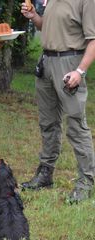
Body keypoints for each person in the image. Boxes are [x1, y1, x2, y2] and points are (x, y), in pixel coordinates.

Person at [21, 0, 95, 203]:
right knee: (48, 122)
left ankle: (86, 182)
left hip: (70, 63)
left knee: (76, 125)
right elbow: (47, 27)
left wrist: (80, 71)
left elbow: (93, 40)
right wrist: (34, 16)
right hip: (46, 62)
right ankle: (45, 173)